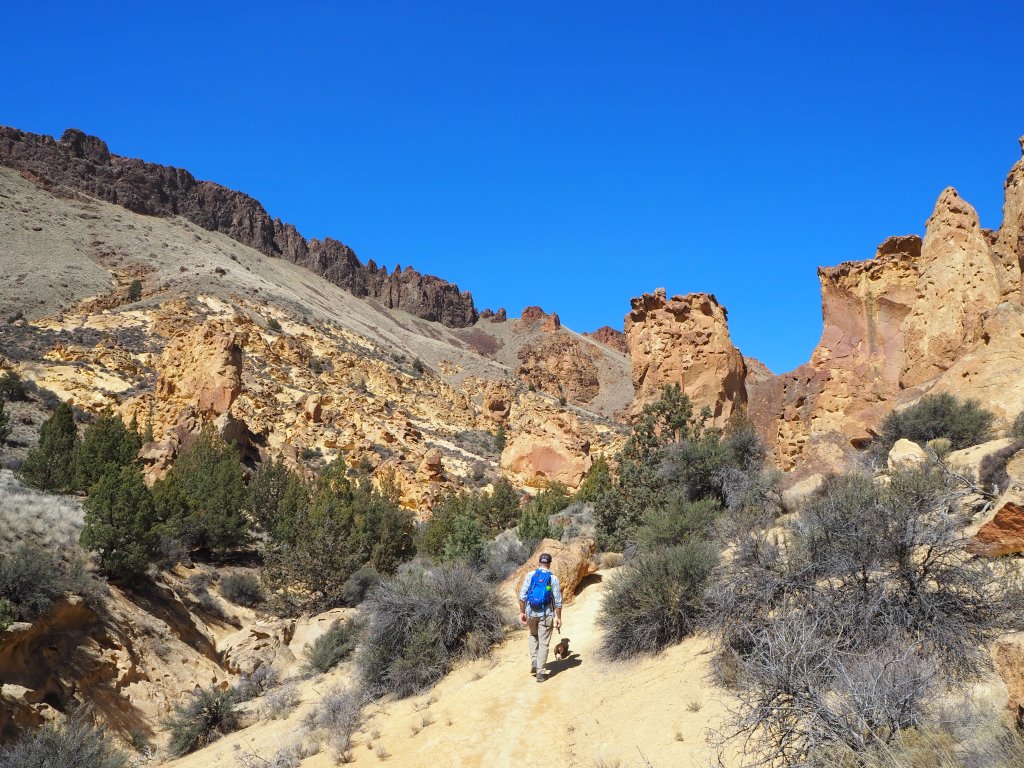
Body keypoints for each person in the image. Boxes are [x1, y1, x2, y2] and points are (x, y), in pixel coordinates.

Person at [518, 552, 563, 682]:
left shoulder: (530, 575)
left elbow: (522, 596)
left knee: (533, 635)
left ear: (539, 563)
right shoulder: (553, 578)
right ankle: (540, 673)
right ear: (549, 564)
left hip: (531, 613)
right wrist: (558, 618)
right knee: (543, 643)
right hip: (546, 615)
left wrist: (522, 612)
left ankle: (534, 661)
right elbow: (558, 601)